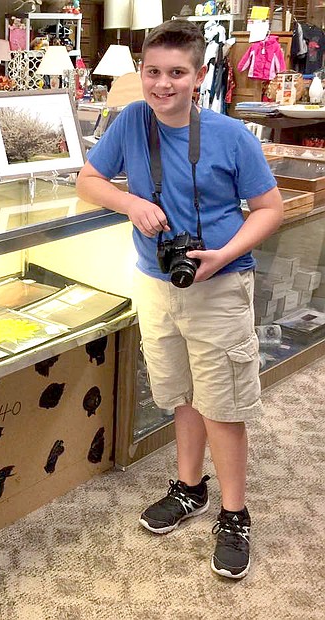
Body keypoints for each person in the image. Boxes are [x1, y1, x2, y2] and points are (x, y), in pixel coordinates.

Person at [76, 20, 283, 579]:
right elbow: (88, 178)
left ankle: (235, 514)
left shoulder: (231, 136)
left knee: (224, 404)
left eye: (176, 73)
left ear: (199, 75)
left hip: (218, 283)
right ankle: (190, 487)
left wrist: (221, 254)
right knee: (181, 394)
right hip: (155, 282)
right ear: (140, 72)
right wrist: (129, 205)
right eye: (152, 72)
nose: (162, 85)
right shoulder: (129, 121)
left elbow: (270, 208)